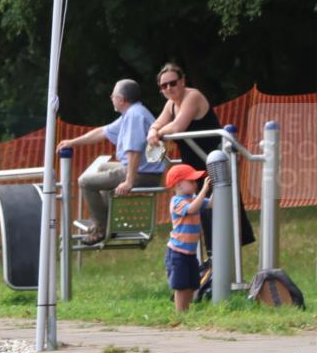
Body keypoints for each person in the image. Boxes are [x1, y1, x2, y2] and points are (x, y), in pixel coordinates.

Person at [146, 62, 254, 251]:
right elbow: (158, 123)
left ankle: (227, 261)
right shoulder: (171, 104)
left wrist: (158, 132)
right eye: (164, 86)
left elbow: (178, 126)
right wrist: (153, 131)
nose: (169, 88)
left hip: (215, 162)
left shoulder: (192, 96)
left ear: (182, 81)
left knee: (221, 207)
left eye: (172, 83)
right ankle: (212, 260)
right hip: (194, 168)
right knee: (200, 211)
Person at [56, 79, 165, 244]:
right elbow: (102, 132)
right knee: (103, 167)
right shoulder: (132, 113)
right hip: (144, 169)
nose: (111, 98)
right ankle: (108, 220)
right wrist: (72, 142)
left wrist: (129, 181)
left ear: (121, 99)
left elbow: (134, 150)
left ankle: (101, 226)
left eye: (113, 95)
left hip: (143, 173)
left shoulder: (134, 116)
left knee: (85, 182)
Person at [164, 164, 212, 311]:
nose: (195, 183)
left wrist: (218, 185)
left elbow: (210, 204)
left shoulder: (193, 198)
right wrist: (204, 190)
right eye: (191, 181)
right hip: (177, 252)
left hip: (190, 253)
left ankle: (186, 311)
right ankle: (180, 314)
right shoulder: (177, 201)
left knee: (192, 284)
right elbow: (191, 209)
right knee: (180, 285)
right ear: (178, 184)